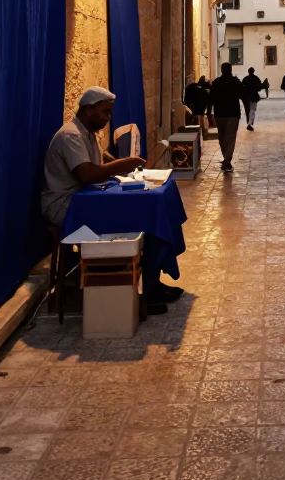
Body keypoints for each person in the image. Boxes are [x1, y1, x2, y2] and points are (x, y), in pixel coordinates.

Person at [42, 86, 182, 313]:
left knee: (152, 211)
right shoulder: (71, 135)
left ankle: (153, 284)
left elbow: (100, 157)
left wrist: (117, 162)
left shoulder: (87, 133)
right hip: (65, 205)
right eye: (104, 112)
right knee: (141, 217)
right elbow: (86, 174)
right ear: (88, 110)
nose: (108, 118)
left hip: (85, 198)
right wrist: (123, 165)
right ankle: (141, 295)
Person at [209, 62, 248, 172]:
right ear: (231, 69)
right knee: (230, 137)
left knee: (222, 137)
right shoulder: (235, 82)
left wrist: (208, 114)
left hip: (220, 114)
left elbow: (210, 99)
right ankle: (227, 159)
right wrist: (247, 112)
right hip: (233, 113)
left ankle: (226, 158)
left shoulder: (216, 82)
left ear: (222, 70)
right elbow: (244, 97)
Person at [241, 66, 263, 130]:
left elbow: (242, 87)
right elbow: (259, 87)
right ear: (253, 71)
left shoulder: (245, 79)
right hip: (253, 97)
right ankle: (250, 123)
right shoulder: (256, 78)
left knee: (247, 110)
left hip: (246, 97)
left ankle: (248, 121)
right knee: (252, 110)